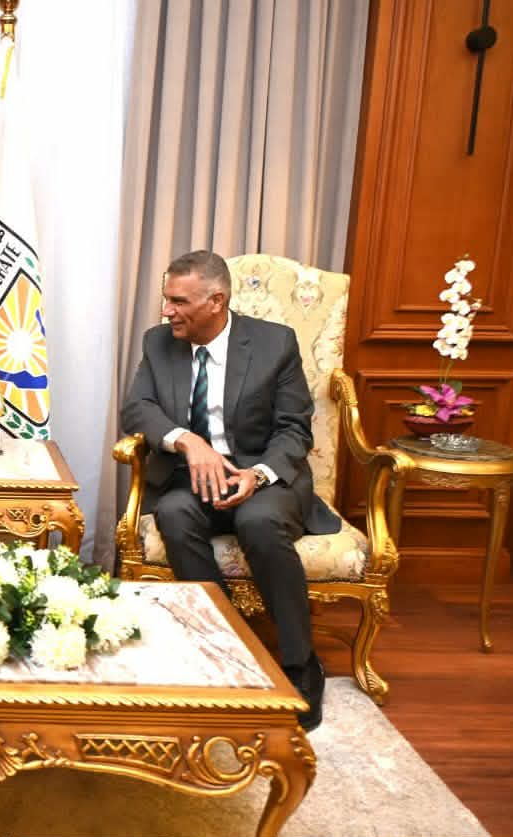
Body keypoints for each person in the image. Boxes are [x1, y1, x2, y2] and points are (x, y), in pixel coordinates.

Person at [120, 250, 338, 731]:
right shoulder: (159, 343)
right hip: (193, 478)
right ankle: (227, 648)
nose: (167, 311)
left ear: (216, 301)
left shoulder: (274, 343)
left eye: (179, 301)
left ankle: (301, 665)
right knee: (174, 514)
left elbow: (294, 429)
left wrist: (257, 475)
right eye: (166, 299)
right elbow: (137, 409)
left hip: (265, 476)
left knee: (258, 520)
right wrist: (188, 441)